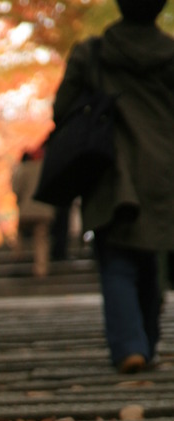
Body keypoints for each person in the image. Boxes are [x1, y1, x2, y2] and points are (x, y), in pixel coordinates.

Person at [53, 0, 174, 373]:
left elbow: (62, 110)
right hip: (163, 166)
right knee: (152, 256)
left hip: (110, 166)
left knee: (117, 259)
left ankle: (129, 347)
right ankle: (146, 344)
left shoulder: (93, 53)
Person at [12, 149, 55, 278]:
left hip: (27, 208)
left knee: (19, 232)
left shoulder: (24, 169)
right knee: (41, 239)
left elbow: (16, 188)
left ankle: (18, 254)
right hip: (44, 209)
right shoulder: (46, 168)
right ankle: (41, 268)